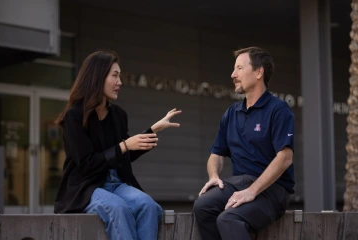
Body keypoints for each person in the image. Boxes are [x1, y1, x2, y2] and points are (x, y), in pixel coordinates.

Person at [53, 50, 182, 240]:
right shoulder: (74, 116)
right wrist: (124, 146)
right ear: (97, 77)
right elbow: (87, 164)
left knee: (149, 206)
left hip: (117, 183)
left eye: (119, 76)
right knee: (118, 208)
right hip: (87, 187)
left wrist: (153, 130)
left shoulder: (118, 115)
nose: (119, 82)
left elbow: (125, 154)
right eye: (115, 75)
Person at [193, 46, 295, 240]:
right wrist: (214, 175)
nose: (233, 74)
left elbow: (285, 158)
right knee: (202, 206)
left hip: (272, 190)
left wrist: (252, 191)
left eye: (239, 68)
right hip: (238, 184)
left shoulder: (279, 110)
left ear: (259, 72)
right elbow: (217, 154)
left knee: (228, 219)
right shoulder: (231, 113)